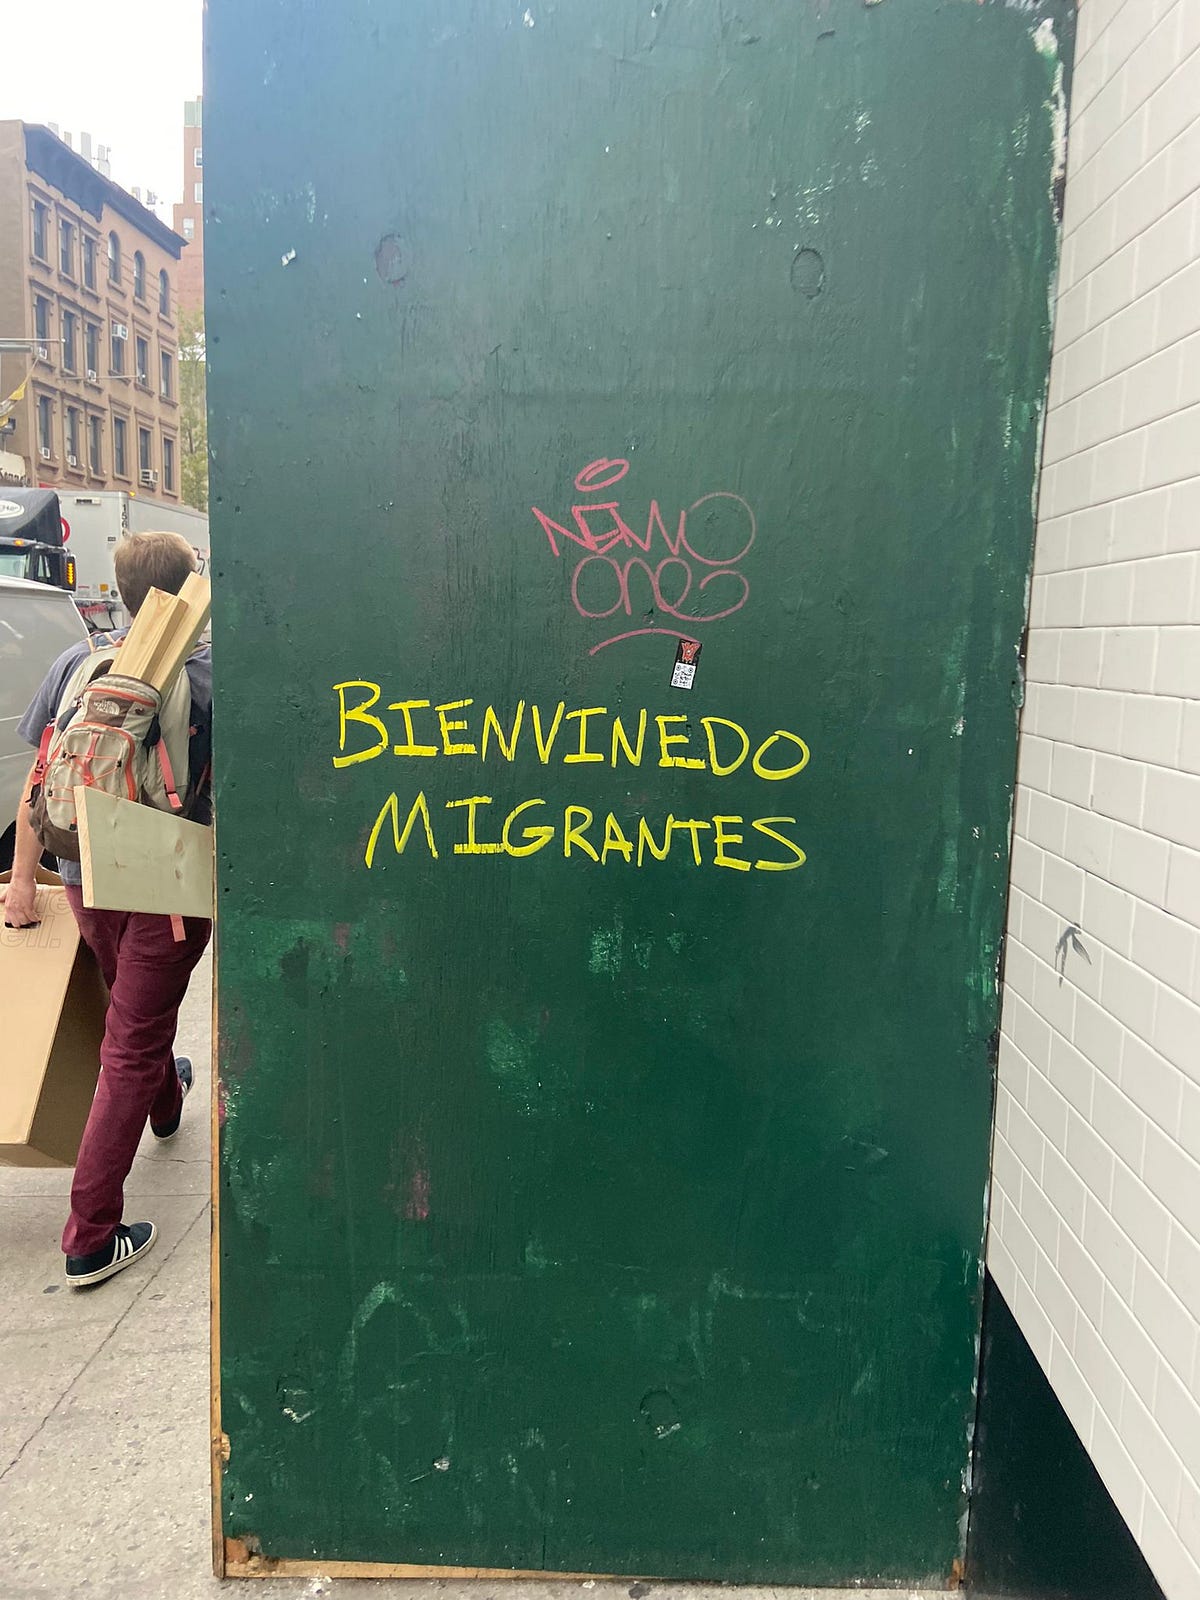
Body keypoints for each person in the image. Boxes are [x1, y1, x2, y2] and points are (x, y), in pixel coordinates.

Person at [2, 531, 213, 1287]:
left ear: (120, 593)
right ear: (190, 590)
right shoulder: (206, 675)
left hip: (82, 878)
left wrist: (23, 882)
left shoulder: (77, 663)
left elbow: (40, 776)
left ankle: (166, 1103)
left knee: (134, 1020)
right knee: (129, 1045)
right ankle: (91, 1235)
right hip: (165, 891)